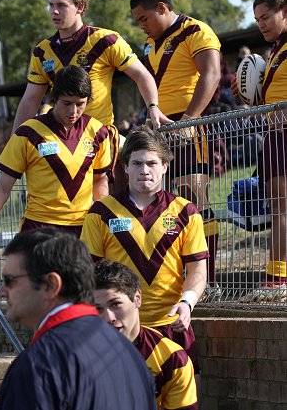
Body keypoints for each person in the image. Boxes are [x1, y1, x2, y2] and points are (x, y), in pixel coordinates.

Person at [81, 126, 208, 393]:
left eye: (152, 163)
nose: (144, 170)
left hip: (172, 326)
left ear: (164, 166)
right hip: (118, 329)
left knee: (187, 398)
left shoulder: (186, 211)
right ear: (125, 167)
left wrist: (187, 303)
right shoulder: (101, 212)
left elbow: (198, 270)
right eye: (137, 163)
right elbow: (87, 272)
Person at [12, 0, 172, 181]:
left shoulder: (105, 40)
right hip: (63, 145)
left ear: (80, 6)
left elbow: (142, 75)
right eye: (51, 4)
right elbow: (30, 100)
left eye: (61, 5)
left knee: (112, 205)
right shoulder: (42, 51)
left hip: (101, 141)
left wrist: (153, 107)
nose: (54, 11)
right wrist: (15, 143)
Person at [0, 228, 157, 410]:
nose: (1, 292)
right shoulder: (129, 352)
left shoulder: (38, 365)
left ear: (51, 284)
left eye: (10, 280)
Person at [129, 0, 221, 298]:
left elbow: (211, 74)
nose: (141, 25)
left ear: (162, 8)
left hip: (188, 126)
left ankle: (209, 279)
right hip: (158, 129)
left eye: (144, 18)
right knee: (166, 204)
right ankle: (178, 276)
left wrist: (189, 120)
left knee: (195, 198)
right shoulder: (150, 44)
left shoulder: (196, 30)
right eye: (138, 21)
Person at [0, 65, 111, 237]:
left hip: (83, 229)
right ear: (54, 98)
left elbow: (100, 181)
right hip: (38, 229)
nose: (73, 111)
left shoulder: (99, 132)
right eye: (67, 103)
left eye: (80, 104)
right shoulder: (28, 133)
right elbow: (2, 187)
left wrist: (101, 221)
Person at [94, 259, 198, 410]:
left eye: (115, 304)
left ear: (137, 298)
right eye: (98, 309)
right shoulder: (70, 354)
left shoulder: (171, 359)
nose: (109, 318)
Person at [245, 0, 287, 299]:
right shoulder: (271, 52)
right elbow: (266, 98)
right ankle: (277, 273)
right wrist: (247, 91)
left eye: (267, 17)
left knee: (282, 208)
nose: (261, 24)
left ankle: (277, 278)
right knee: (277, 208)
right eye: (257, 19)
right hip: (274, 135)